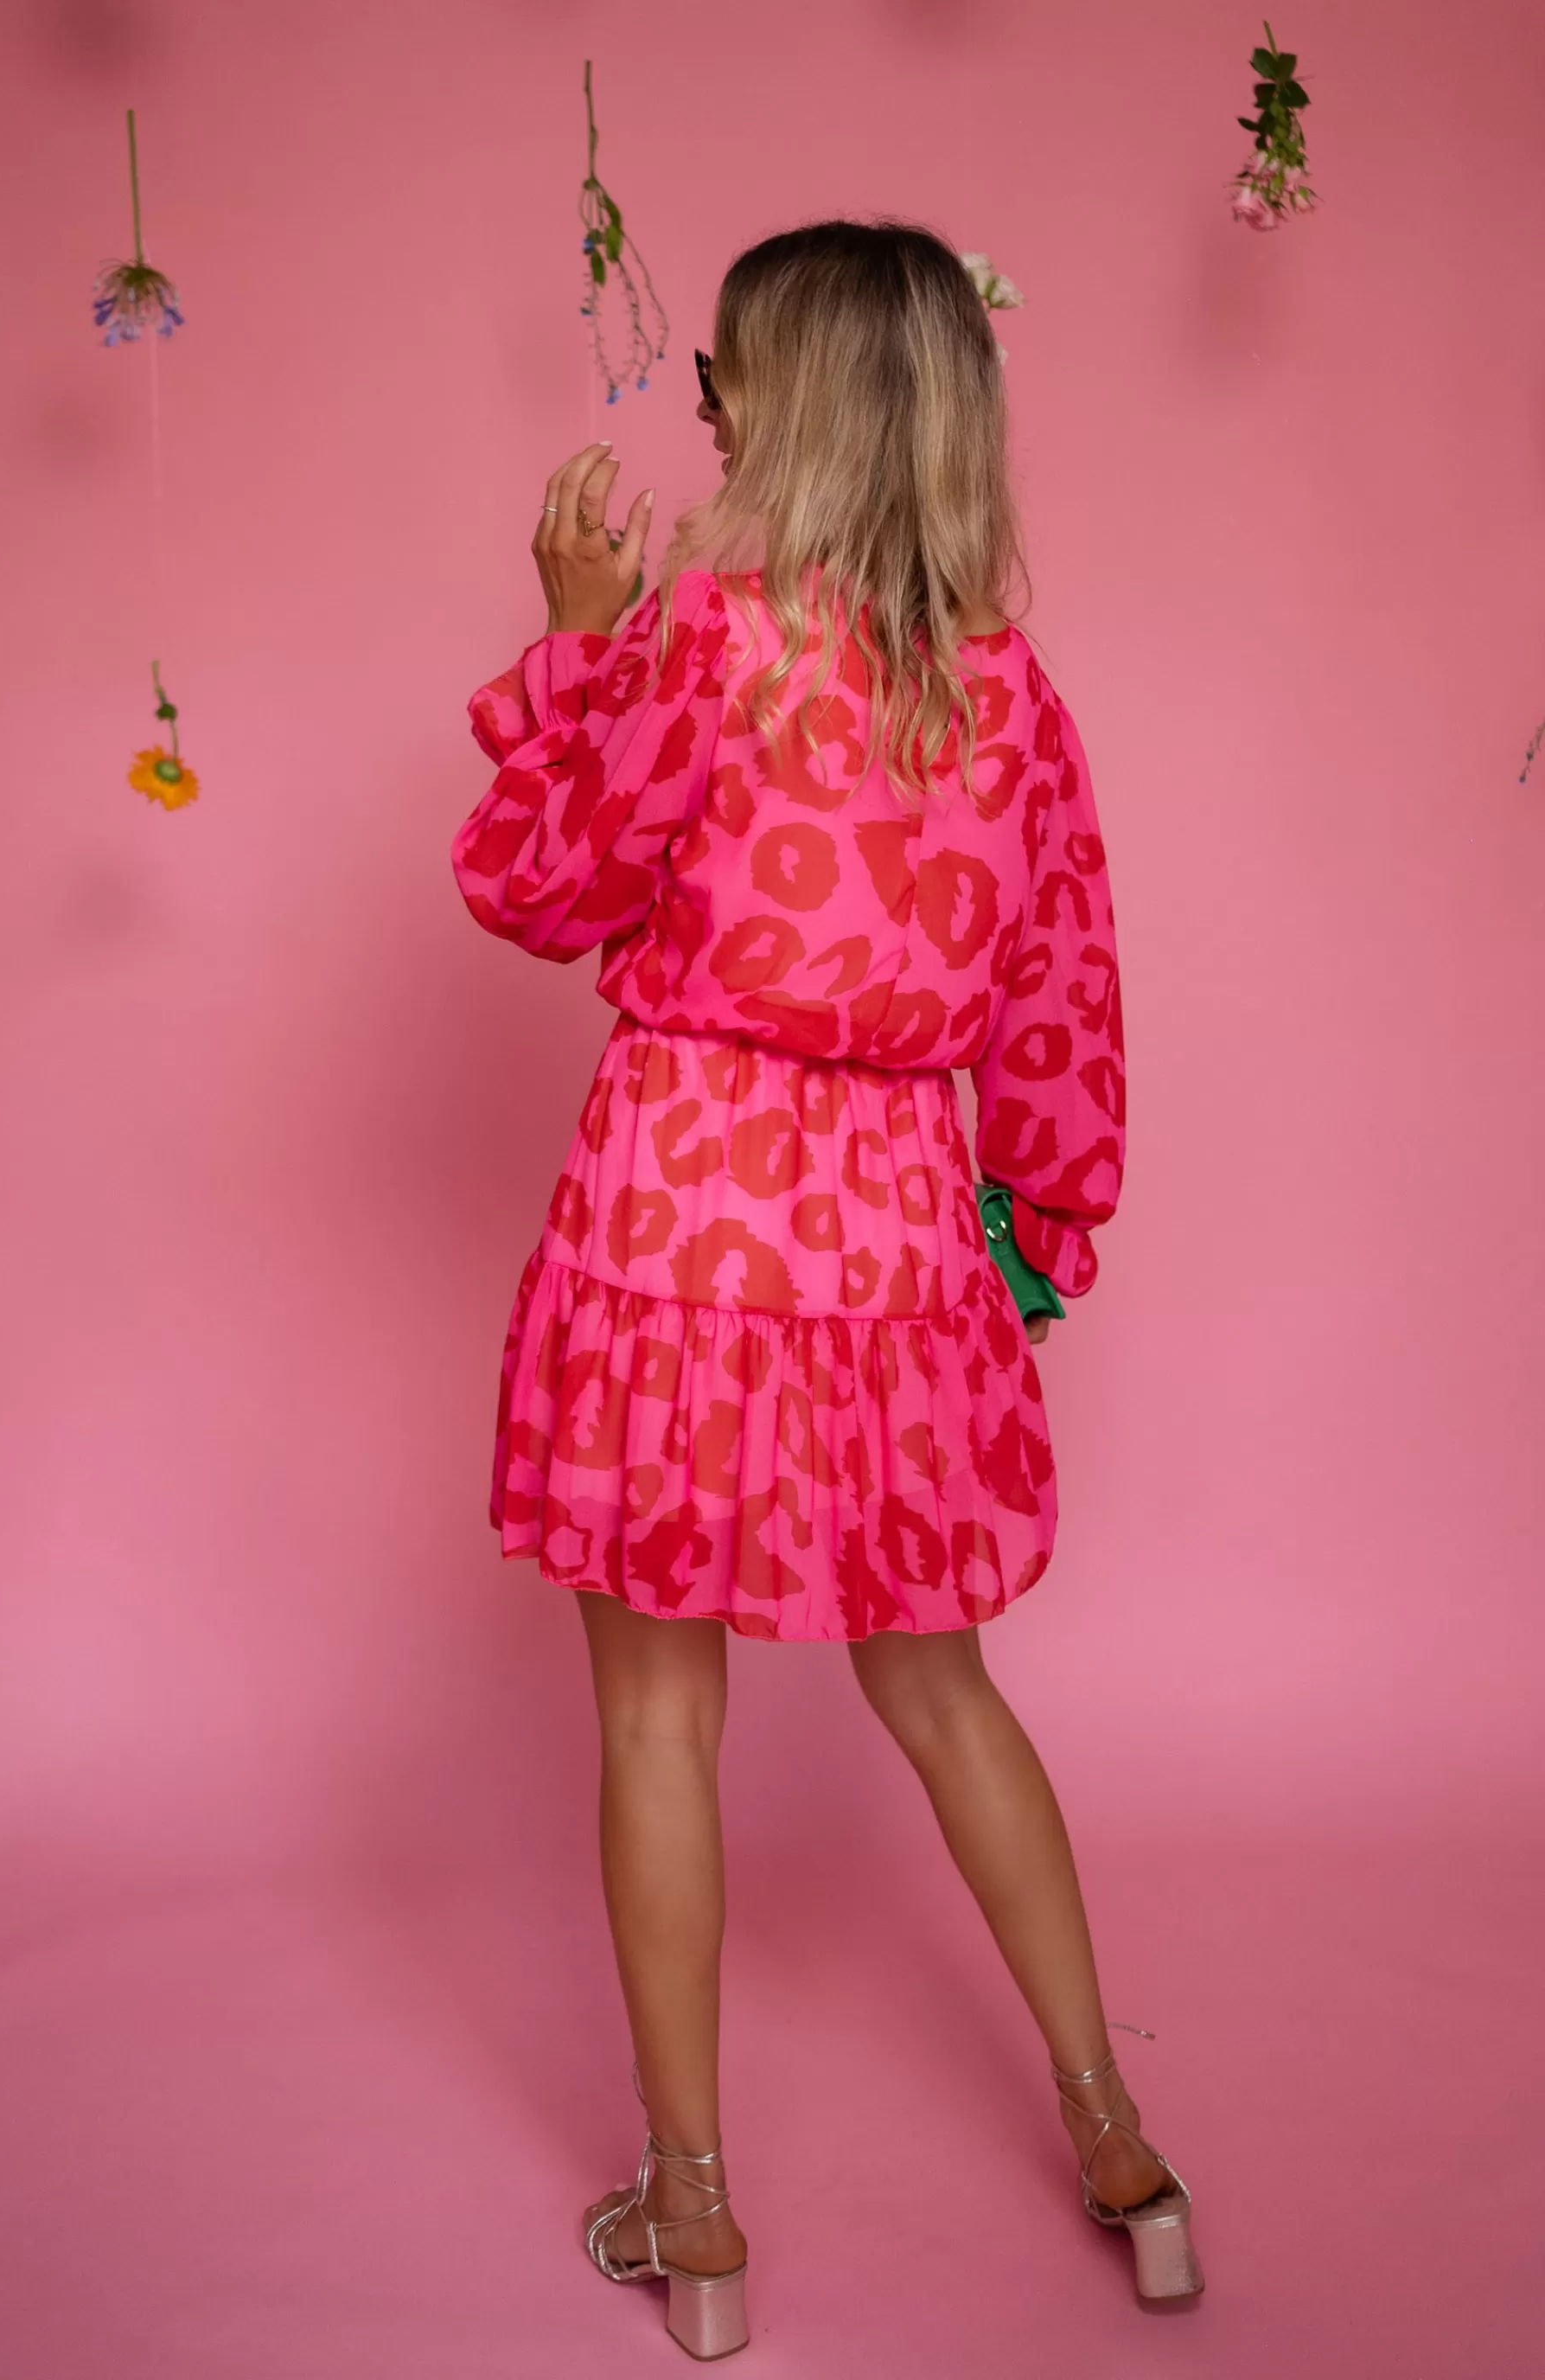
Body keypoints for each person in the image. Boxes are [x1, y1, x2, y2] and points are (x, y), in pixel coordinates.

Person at [451, 220, 1199, 2360]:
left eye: (719, 375)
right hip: (890, 1236)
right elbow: (1064, 998)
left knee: (654, 1714)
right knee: (943, 1689)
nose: (700, 408)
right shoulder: (1011, 692)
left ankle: (696, 2225)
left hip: (677, 1209)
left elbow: (539, 881)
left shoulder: (701, 639)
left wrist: (570, 641)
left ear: (782, 402)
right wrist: (1036, 1232)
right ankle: (1119, 2138)